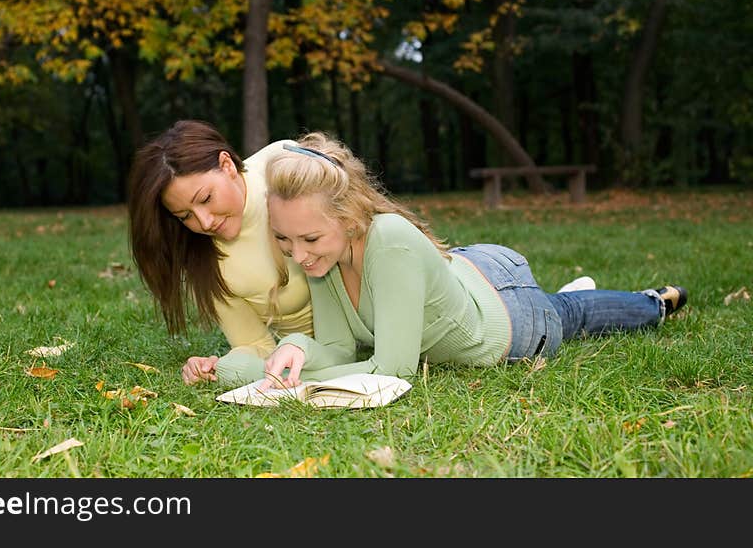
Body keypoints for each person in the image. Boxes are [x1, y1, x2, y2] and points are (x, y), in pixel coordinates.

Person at [217, 132, 688, 390]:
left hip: (510, 316)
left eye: (309, 238)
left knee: (570, 315)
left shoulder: (391, 240)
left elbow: (392, 370)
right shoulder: (322, 255)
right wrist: (295, 350)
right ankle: (571, 294)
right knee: (566, 304)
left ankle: (652, 304)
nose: (297, 255)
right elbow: (340, 350)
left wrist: (284, 382)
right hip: (462, 276)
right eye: (283, 239)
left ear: (350, 216)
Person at [126, 120, 314, 385]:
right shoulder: (205, 259)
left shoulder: (287, 167)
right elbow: (257, 344)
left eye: (205, 199)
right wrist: (220, 365)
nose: (204, 222)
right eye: (185, 216)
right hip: (312, 354)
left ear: (227, 166)